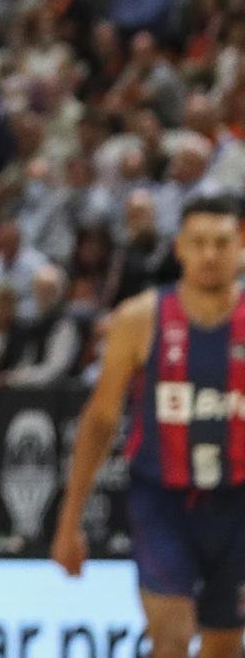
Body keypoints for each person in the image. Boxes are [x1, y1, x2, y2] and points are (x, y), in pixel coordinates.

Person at [52, 196, 245, 658]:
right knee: (171, 636)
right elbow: (100, 419)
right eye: (198, 242)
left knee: (225, 645)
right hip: (162, 500)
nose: (210, 254)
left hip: (238, 502)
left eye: (222, 242)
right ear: (179, 247)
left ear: (242, 246)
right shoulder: (140, 318)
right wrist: (69, 520)